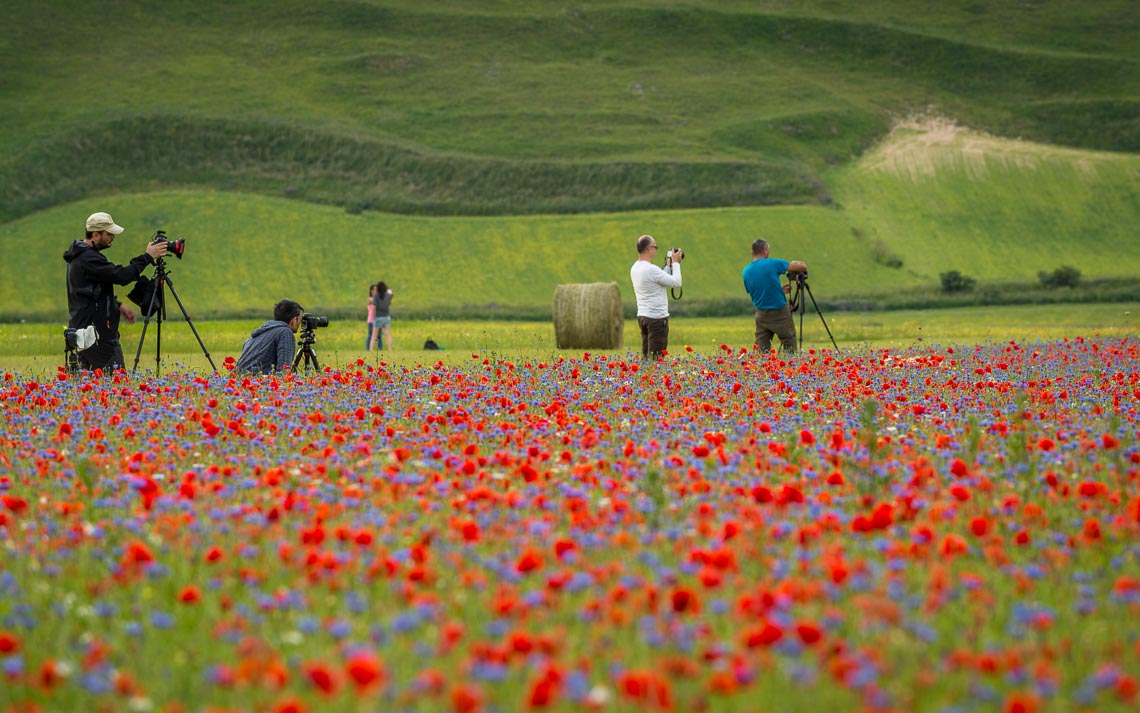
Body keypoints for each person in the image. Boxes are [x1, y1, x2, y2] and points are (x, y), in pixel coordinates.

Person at [63, 211, 168, 371]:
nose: (113, 237)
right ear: (96, 235)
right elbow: (121, 276)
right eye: (109, 233)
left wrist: (117, 305)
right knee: (116, 386)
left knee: (94, 388)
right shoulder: (88, 259)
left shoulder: (79, 256)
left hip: (85, 333)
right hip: (97, 337)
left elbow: (90, 292)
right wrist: (147, 257)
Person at [742, 238, 806, 353]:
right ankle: (790, 368)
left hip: (761, 314)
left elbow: (760, 292)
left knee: (761, 349)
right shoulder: (773, 263)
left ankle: (762, 369)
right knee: (789, 342)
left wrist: (779, 291)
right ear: (765, 250)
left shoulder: (746, 271)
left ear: (753, 253)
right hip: (779, 312)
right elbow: (802, 267)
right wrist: (798, 263)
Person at [629, 234, 682, 360]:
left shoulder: (635, 267)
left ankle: (644, 378)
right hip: (656, 319)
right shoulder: (651, 269)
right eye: (655, 247)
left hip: (643, 316)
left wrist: (668, 266)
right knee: (656, 360)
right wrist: (676, 264)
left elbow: (660, 278)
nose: (656, 250)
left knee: (647, 356)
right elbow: (676, 282)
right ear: (648, 249)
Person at [235, 299, 304, 373]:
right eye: (300, 319)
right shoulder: (285, 332)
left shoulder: (263, 331)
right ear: (294, 320)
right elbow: (284, 371)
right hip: (258, 382)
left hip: (237, 380)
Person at [369, 281, 393, 351]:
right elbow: (392, 293)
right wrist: (388, 290)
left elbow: (374, 307)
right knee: (388, 334)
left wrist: (373, 316)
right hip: (387, 316)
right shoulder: (388, 295)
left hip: (378, 317)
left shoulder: (376, 295)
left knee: (374, 335)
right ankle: (390, 349)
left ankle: (371, 349)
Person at [365, 284, 377, 350]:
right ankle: (368, 349)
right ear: (371, 291)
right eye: (374, 290)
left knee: (378, 336)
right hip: (371, 320)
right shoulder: (370, 299)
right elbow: (374, 301)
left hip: (377, 320)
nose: (376, 291)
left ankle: (379, 349)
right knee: (370, 335)